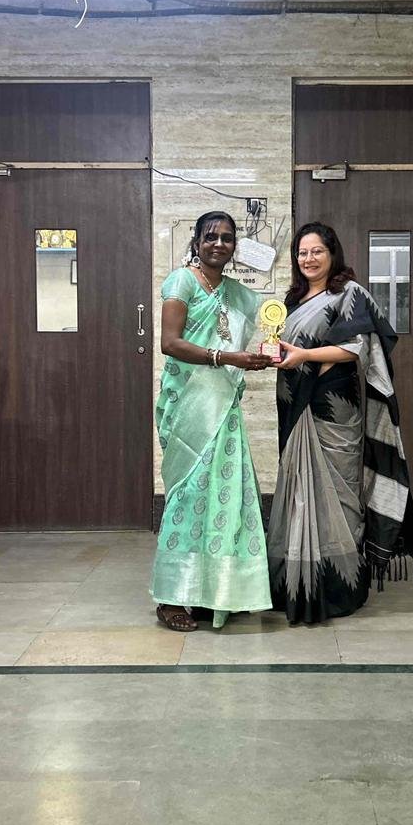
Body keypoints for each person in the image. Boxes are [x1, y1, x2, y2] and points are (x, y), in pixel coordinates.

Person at [267, 221, 413, 625]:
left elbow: (356, 348)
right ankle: (296, 582)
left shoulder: (349, 293)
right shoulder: (293, 300)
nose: (309, 259)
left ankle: (338, 586)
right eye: (302, 252)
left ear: (333, 254)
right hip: (293, 404)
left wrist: (304, 356)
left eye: (317, 251)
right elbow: (287, 345)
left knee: (339, 488)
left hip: (333, 407)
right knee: (297, 487)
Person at [150, 210, 273, 631]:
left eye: (227, 237)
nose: (219, 244)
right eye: (211, 237)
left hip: (224, 407)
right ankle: (171, 597)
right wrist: (227, 357)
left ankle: (214, 591)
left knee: (226, 493)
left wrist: (264, 354)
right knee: (187, 495)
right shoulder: (181, 282)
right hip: (189, 404)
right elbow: (170, 343)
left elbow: (261, 334)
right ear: (197, 242)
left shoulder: (238, 294)